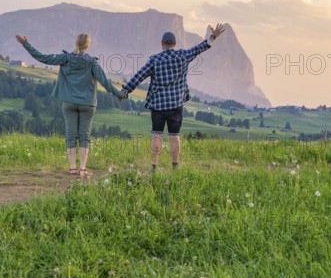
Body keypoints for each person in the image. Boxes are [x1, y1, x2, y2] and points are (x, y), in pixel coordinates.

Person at [15, 34, 125, 176]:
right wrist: (119, 94)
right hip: (87, 104)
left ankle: (72, 168)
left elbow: (42, 58)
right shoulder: (92, 62)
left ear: (76, 43)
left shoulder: (65, 58)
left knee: (70, 135)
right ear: (87, 45)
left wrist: (26, 44)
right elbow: (105, 82)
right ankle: (83, 169)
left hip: (69, 103)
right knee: (84, 136)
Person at [121, 24, 225, 171]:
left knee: (156, 136)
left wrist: (125, 91)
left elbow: (139, 76)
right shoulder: (182, 55)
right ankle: (175, 166)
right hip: (176, 105)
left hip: (158, 105)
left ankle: (153, 165)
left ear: (162, 44)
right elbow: (199, 48)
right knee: (174, 137)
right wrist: (213, 37)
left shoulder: (154, 60)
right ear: (174, 44)